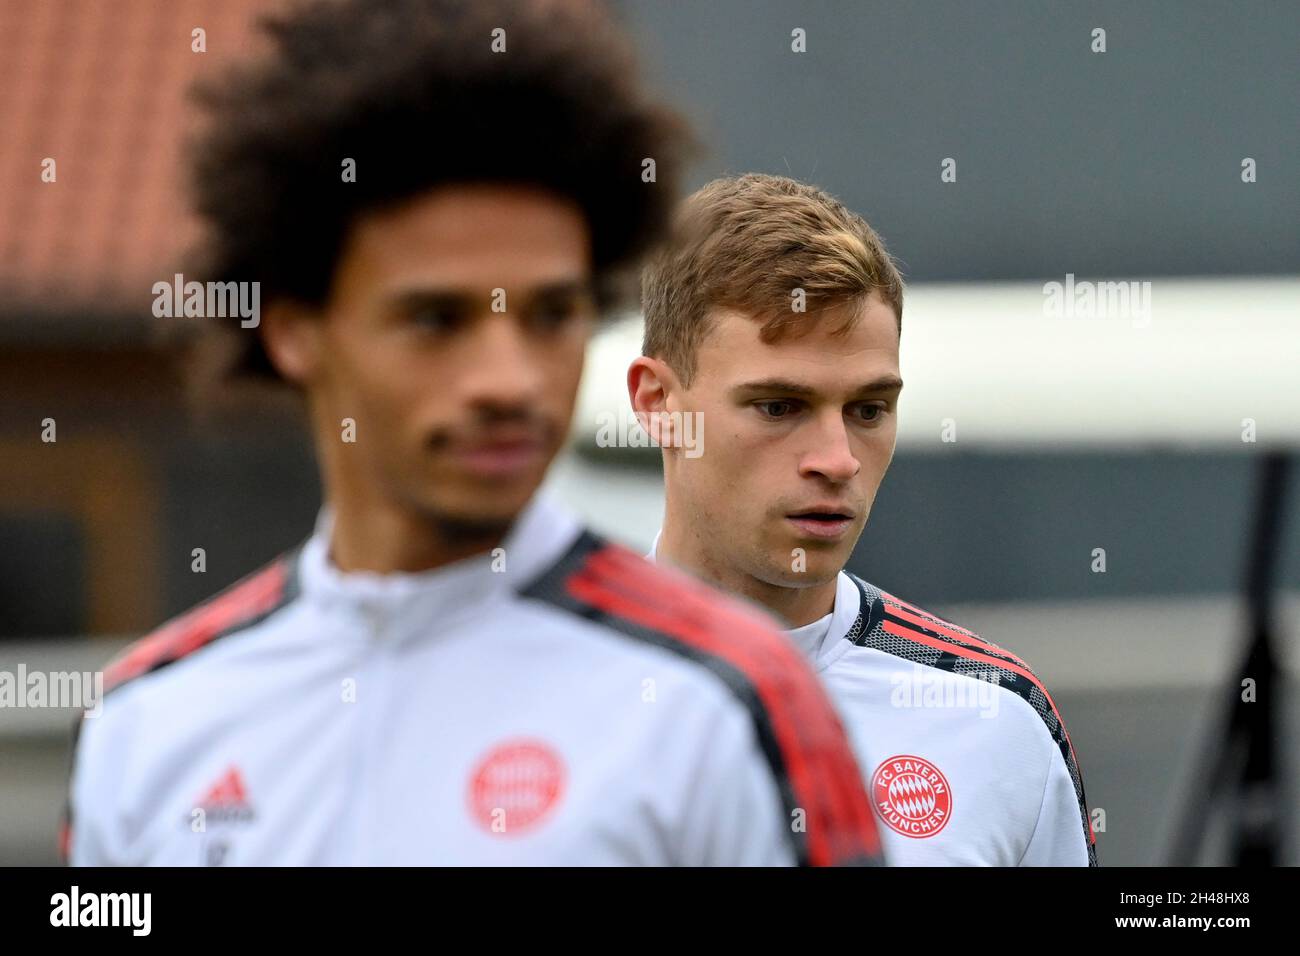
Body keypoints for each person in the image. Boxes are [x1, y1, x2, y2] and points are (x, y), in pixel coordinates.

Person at [62, 1, 881, 866]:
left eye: (552, 313)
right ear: (295, 327)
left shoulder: (730, 700)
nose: (510, 380)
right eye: (437, 318)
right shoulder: (147, 724)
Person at [631, 172, 1096, 865]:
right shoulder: (530, 692)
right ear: (658, 403)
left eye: (868, 410)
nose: (837, 459)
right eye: (778, 407)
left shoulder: (995, 717)